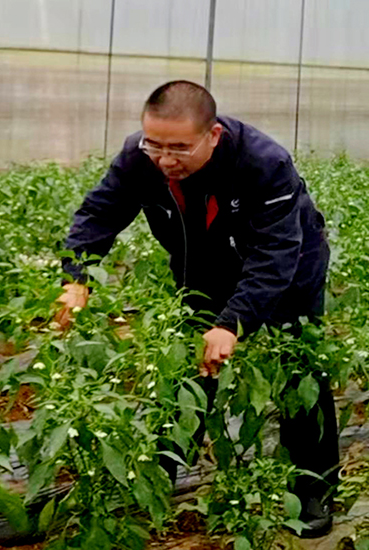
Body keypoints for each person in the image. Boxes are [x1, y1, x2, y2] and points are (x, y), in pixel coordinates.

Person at [56, 80, 338, 538]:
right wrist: (76, 278)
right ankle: (157, 475)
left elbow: (275, 255)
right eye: (155, 144)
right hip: (203, 267)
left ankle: (313, 488)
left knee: (299, 367)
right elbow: (100, 212)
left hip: (290, 268)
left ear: (213, 135)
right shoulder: (138, 157)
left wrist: (233, 323)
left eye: (180, 148)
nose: (165, 159)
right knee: (190, 366)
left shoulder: (263, 163)